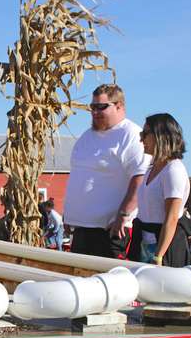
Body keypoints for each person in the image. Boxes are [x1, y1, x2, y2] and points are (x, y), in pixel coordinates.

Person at [63, 84, 150, 259]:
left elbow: (139, 179)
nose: (95, 112)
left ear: (119, 106)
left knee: (110, 283)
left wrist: (123, 215)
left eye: (101, 107)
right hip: (82, 230)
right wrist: (69, 215)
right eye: (92, 107)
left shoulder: (131, 134)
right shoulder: (87, 136)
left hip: (112, 230)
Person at [131, 113, 191, 267]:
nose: (141, 139)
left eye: (145, 134)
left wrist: (158, 256)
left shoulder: (174, 170)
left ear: (161, 136)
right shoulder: (150, 169)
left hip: (164, 249)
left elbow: (171, 218)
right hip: (145, 244)